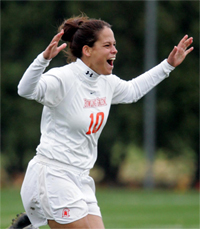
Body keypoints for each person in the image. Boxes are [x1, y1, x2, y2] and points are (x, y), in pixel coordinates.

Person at [10, 14, 193, 229]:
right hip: (53, 175)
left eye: (114, 45)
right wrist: (43, 60)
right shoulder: (62, 78)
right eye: (107, 45)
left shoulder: (105, 82)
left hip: (80, 178)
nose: (114, 50)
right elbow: (25, 90)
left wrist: (168, 65)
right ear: (87, 50)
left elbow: (132, 90)